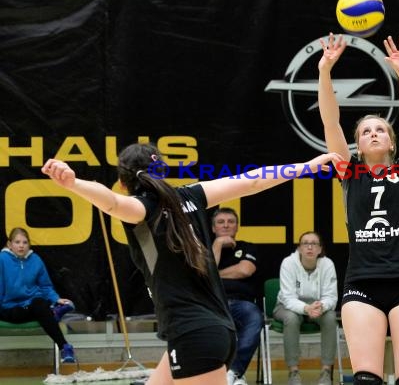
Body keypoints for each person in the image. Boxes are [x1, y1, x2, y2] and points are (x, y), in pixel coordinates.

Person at [41, 143, 336, 385]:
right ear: (163, 170)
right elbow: (255, 180)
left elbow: (112, 204)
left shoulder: (142, 209)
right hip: (211, 331)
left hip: (193, 333)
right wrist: (308, 166)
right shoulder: (193, 196)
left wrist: (73, 182)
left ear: (122, 182)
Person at [317, 33, 399, 385]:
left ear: (391, 141)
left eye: (381, 129)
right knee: (366, 378)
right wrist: (325, 71)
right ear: (359, 144)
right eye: (366, 131)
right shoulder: (349, 173)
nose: (374, 134)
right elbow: (330, 123)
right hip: (362, 283)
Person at [0, 227, 76, 363]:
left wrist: (56, 298)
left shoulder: (36, 259)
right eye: (17, 242)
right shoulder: (2, 259)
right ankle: (53, 312)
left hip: (32, 306)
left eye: (24, 242)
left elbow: (45, 286)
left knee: (39, 304)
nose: (21, 246)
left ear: (29, 244)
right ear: (9, 244)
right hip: (9, 308)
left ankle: (65, 347)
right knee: (43, 310)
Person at [273, 231, 338, 385]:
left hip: (317, 307)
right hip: (286, 306)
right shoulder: (288, 263)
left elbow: (331, 297)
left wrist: (320, 306)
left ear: (320, 249)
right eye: (305, 243)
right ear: (299, 248)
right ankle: (293, 372)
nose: (309, 247)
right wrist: (306, 308)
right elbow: (288, 298)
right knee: (292, 318)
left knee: (330, 318)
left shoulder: (327, 264)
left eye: (314, 244)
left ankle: (326, 371)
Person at [211, 207, 264, 385]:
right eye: (220, 222)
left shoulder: (248, 246)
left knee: (254, 316)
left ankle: (233, 372)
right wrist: (217, 245)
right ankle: (224, 376)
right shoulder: (204, 249)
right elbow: (203, 274)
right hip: (213, 303)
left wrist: (214, 273)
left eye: (231, 222)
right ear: (213, 228)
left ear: (237, 227)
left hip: (243, 304)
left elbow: (245, 270)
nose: (226, 225)